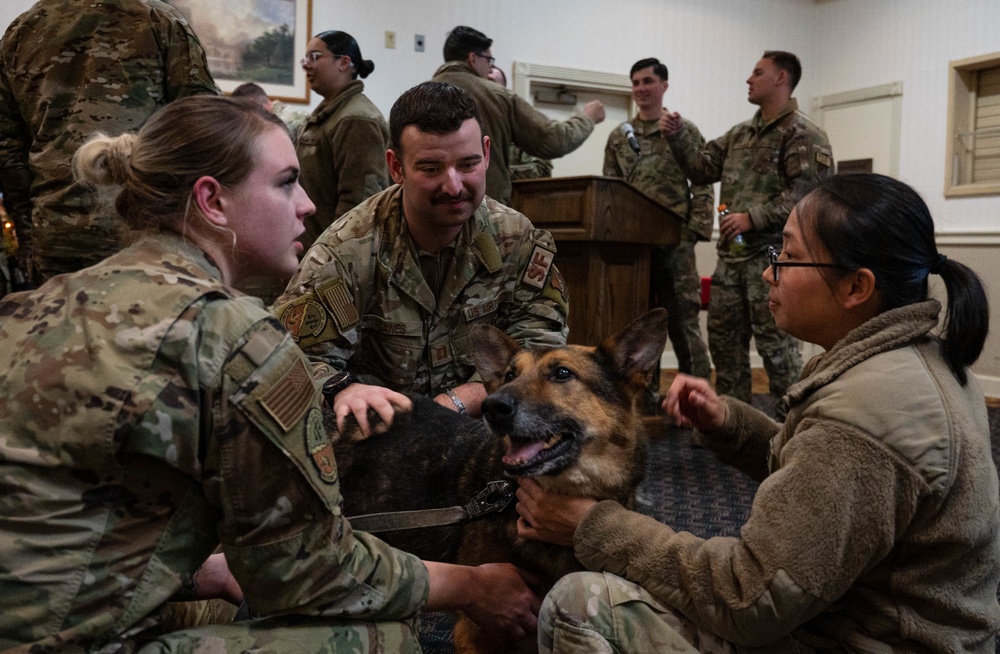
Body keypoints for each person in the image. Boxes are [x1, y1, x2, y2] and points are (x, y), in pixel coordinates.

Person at [0, 94, 539, 652]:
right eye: (285, 183)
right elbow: (302, 570)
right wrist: (474, 585)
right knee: (381, 635)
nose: (306, 205)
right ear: (212, 201)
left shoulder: (31, 304)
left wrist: (201, 573)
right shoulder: (234, 335)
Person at [516, 173, 1000, 652]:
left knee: (578, 604)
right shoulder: (918, 361)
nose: (770, 272)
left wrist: (592, 525)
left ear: (856, 286)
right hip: (889, 623)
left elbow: (748, 600)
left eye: (788, 257)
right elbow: (822, 482)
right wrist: (729, 424)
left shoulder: (863, 416)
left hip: (865, 641)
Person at [272, 81, 568, 432]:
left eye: (469, 164)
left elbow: (541, 342)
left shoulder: (516, 240)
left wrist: (461, 400)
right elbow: (293, 358)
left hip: (485, 430)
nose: (454, 185)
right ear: (395, 167)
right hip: (383, 441)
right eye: (431, 169)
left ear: (487, 154)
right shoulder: (346, 252)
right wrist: (343, 389)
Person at [661, 51, 833, 415]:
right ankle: (732, 424)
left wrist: (751, 218)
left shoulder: (805, 134)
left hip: (775, 262)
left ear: (781, 79)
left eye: (758, 72)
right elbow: (702, 167)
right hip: (732, 263)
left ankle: (794, 427)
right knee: (725, 348)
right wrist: (678, 137)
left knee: (778, 352)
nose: (748, 79)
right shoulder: (740, 134)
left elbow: (808, 194)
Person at [0, 0, 218, 286]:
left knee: (61, 329)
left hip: (56, 233)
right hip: (145, 234)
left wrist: (29, 236)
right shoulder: (160, 20)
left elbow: (8, 149)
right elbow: (204, 131)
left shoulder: (21, 30)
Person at [604, 57, 714, 383]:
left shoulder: (681, 130)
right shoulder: (618, 136)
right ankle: (644, 402)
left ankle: (696, 397)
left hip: (675, 242)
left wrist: (695, 230)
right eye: (636, 82)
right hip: (634, 247)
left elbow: (703, 181)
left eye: (648, 81)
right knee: (636, 326)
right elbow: (611, 189)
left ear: (664, 86)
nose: (641, 89)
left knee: (683, 323)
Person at [431, 26, 605, 204]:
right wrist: (587, 118)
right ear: (473, 58)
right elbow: (553, 140)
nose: (489, 67)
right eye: (489, 60)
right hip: (484, 214)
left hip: (430, 216)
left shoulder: (416, 99)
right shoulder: (498, 96)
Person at [297, 29, 390, 251]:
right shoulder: (331, 113)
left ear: (344, 62)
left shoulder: (356, 119)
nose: (307, 64)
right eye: (306, 58)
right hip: (312, 248)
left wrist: (332, 256)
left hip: (331, 257)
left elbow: (361, 206)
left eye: (315, 57)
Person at [487, 65, 554, 181]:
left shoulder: (521, 126)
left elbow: (541, 170)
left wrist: (492, 173)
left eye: (491, 83)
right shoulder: (462, 126)